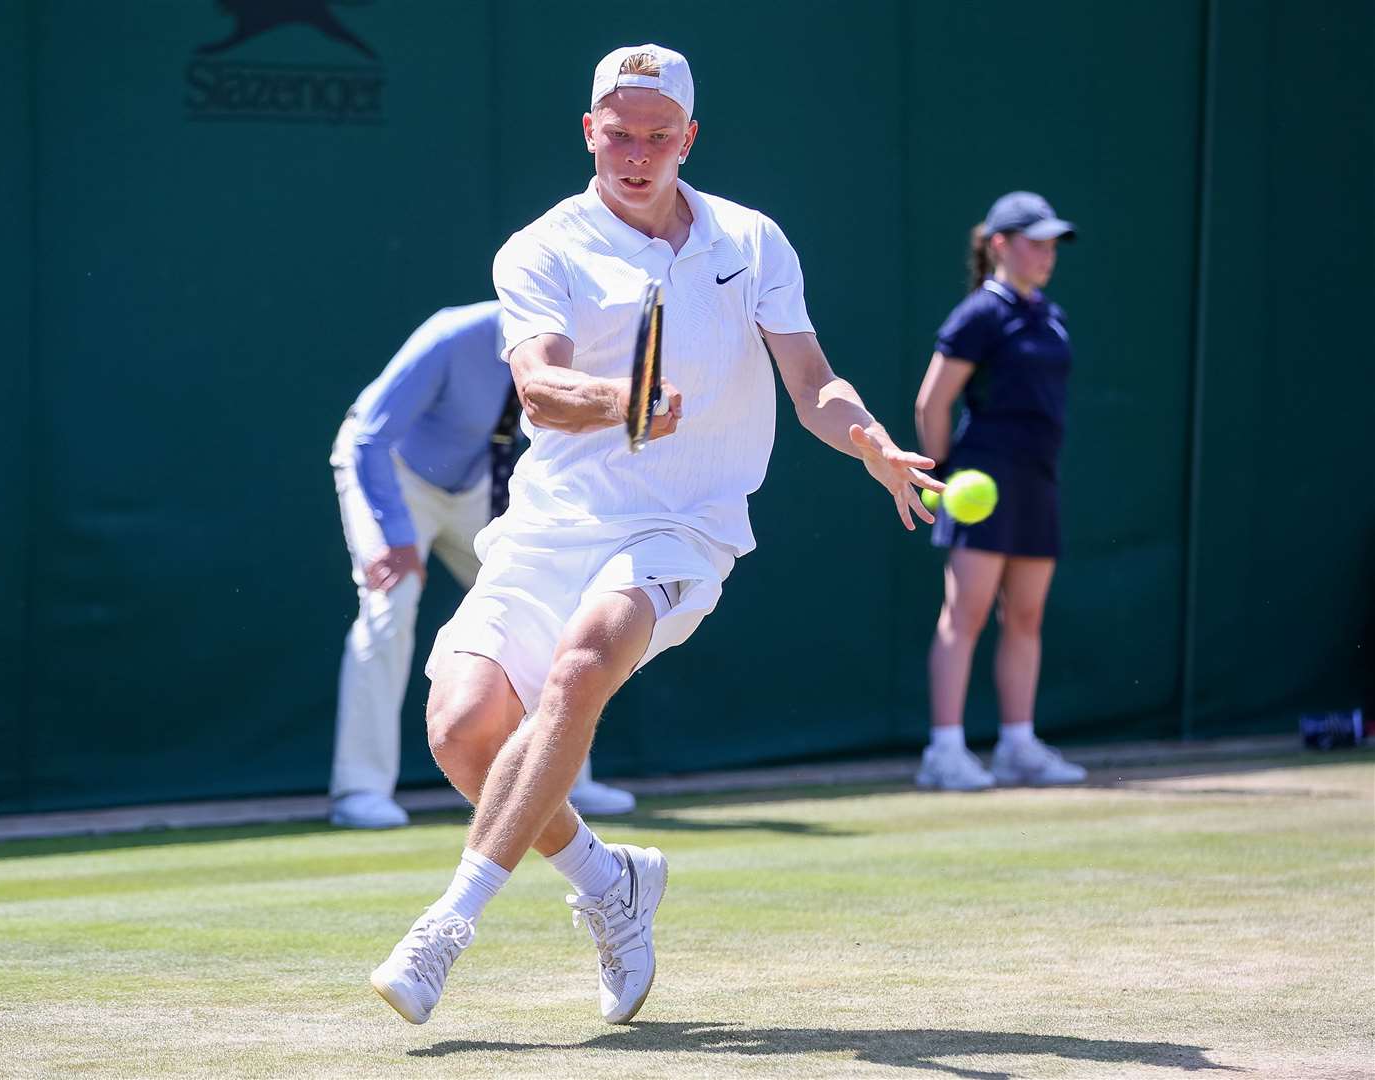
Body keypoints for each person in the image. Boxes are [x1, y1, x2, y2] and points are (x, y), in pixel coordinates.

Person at [368, 44, 942, 1026]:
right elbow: (541, 387)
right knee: (464, 732)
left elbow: (814, 385)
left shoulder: (752, 241)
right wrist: (623, 401)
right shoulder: (540, 248)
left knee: (582, 663)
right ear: (590, 132)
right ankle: (608, 882)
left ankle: (446, 927)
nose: (636, 156)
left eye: (657, 138)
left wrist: (873, 445)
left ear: (689, 138)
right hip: (553, 521)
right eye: (618, 136)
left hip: (686, 524)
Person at [328, 301, 637, 829]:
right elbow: (369, 439)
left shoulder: (578, 352)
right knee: (389, 606)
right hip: (393, 479)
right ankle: (359, 791)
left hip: (475, 487)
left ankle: (564, 783)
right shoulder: (451, 335)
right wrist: (398, 538)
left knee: (544, 611)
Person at [912, 192, 1089, 791]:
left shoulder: (1050, 314)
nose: (1046, 255)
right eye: (1033, 243)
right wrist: (941, 477)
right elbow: (932, 401)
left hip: (1038, 478)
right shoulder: (979, 315)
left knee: (1027, 615)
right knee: (965, 615)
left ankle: (1018, 745)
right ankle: (944, 752)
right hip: (982, 478)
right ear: (998, 246)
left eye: (1051, 245)